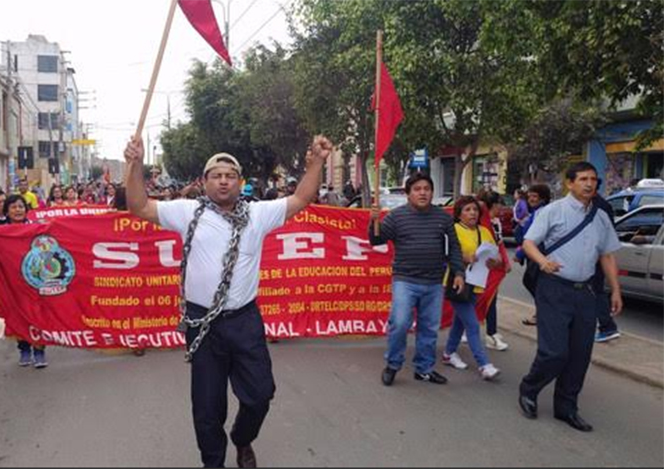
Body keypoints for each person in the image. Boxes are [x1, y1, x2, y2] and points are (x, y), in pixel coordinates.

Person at [124, 134, 332, 468]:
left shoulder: (258, 214)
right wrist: (133, 165)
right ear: (204, 182)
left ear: (240, 182)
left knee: (260, 395)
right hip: (202, 323)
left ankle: (242, 438)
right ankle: (214, 463)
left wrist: (318, 161)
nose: (223, 181)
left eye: (230, 175)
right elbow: (138, 206)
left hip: (244, 321)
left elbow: (302, 198)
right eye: (216, 176)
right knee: (207, 407)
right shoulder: (186, 211)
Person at [518, 162, 623, 432]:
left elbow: (607, 255)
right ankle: (530, 388)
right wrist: (543, 262)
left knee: (579, 355)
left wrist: (615, 290)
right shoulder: (553, 211)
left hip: (586, 291)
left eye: (594, 180)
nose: (589, 184)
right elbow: (528, 243)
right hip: (554, 288)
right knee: (554, 351)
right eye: (584, 179)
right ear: (570, 183)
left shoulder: (600, 216)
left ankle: (566, 407)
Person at [369, 173, 465, 387]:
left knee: (429, 329)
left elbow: (454, 248)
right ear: (408, 194)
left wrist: (458, 272)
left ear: (432, 192)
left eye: (426, 189)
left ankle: (424, 369)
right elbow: (376, 240)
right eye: (417, 189)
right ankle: (393, 364)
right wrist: (374, 221)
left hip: (434, 282)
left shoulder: (443, 218)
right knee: (400, 323)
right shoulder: (396, 217)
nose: (422, 193)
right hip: (405, 281)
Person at [440, 196, 502, 380]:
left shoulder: (484, 231)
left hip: (476, 283)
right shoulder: (454, 230)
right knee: (472, 324)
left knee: (460, 321)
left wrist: (495, 261)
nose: (472, 213)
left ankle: (448, 353)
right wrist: (465, 258)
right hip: (456, 282)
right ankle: (484, 364)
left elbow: (496, 257)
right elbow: (446, 253)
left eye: (474, 209)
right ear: (459, 213)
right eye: (467, 210)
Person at [3, 194, 49, 368]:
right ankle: (24, 349)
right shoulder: (1, 231)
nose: (18, 210)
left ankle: (39, 350)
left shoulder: (36, 228)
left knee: (37, 315)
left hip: (35, 280)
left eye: (21, 206)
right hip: (13, 282)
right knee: (19, 315)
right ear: (7, 211)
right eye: (13, 207)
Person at [476, 190, 511, 351]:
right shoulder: (479, 222)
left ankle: (491, 333)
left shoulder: (495, 222)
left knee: (491, 299)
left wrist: (505, 261)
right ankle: (488, 333)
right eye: (499, 205)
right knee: (478, 299)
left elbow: (499, 243)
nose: (501, 209)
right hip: (479, 266)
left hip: (493, 267)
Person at [516, 183, 552, 326]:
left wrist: (520, 253)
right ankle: (541, 312)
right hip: (533, 252)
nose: (531, 199)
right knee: (534, 282)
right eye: (529, 196)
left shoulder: (542, 213)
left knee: (532, 282)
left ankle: (542, 313)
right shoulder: (534, 212)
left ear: (542, 199)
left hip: (539, 252)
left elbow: (535, 237)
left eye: (534, 196)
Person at [592, 181, 621, 343]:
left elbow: (605, 236)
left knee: (596, 292)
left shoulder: (599, 207)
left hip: (596, 257)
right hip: (595, 256)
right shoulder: (602, 204)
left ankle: (607, 327)